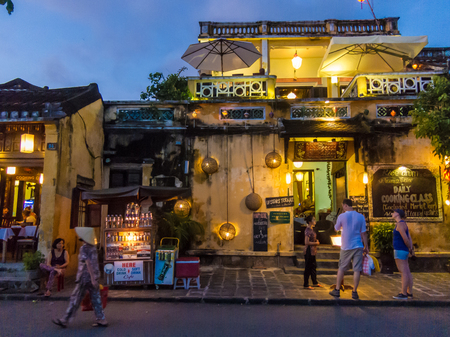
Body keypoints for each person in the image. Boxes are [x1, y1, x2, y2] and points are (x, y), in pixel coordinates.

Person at [53, 227, 107, 328]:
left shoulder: (84, 248)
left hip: (85, 277)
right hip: (94, 276)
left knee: (76, 298)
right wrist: (94, 279)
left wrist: (91, 278)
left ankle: (65, 319)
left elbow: (88, 263)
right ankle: (101, 319)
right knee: (95, 298)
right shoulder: (93, 248)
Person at [329, 198, 368, 300]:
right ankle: (354, 292)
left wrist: (339, 220)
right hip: (358, 245)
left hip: (346, 246)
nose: (343, 207)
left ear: (345, 205)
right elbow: (363, 233)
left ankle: (337, 290)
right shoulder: (361, 217)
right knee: (357, 270)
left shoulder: (342, 216)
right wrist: (366, 246)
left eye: (343, 205)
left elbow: (336, 228)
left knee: (341, 267)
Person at [392, 209, 414, 300]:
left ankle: (403, 293)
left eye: (393, 212)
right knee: (407, 271)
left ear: (397, 214)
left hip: (400, 249)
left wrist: (409, 248)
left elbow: (405, 239)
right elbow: (409, 238)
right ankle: (409, 292)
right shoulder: (404, 224)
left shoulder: (400, 224)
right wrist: (411, 249)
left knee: (403, 272)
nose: (392, 214)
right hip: (404, 250)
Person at [303, 215, 322, 289]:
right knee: (308, 267)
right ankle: (306, 284)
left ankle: (315, 282)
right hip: (309, 251)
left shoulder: (312, 229)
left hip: (313, 251)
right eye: (314, 220)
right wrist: (315, 243)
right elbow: (306, 242)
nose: (315, 221)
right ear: (310, 222)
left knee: (313, 266)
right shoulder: (307, 230)